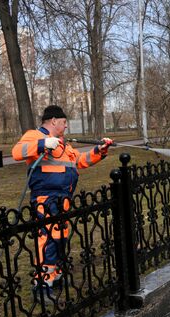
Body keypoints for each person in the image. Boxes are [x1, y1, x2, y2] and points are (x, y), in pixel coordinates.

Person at [12, 105, 113, 299]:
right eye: (64, 123)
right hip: (46, 198)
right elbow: (17, 151)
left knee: (59, 238)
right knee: (48, 238)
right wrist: (43, 144)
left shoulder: (63, 145)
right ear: (53, 121)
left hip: (62, 198)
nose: (66, 126)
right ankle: (42, 282)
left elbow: (80, 161)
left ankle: (55, 275)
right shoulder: (34, 135)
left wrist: (100, 151)